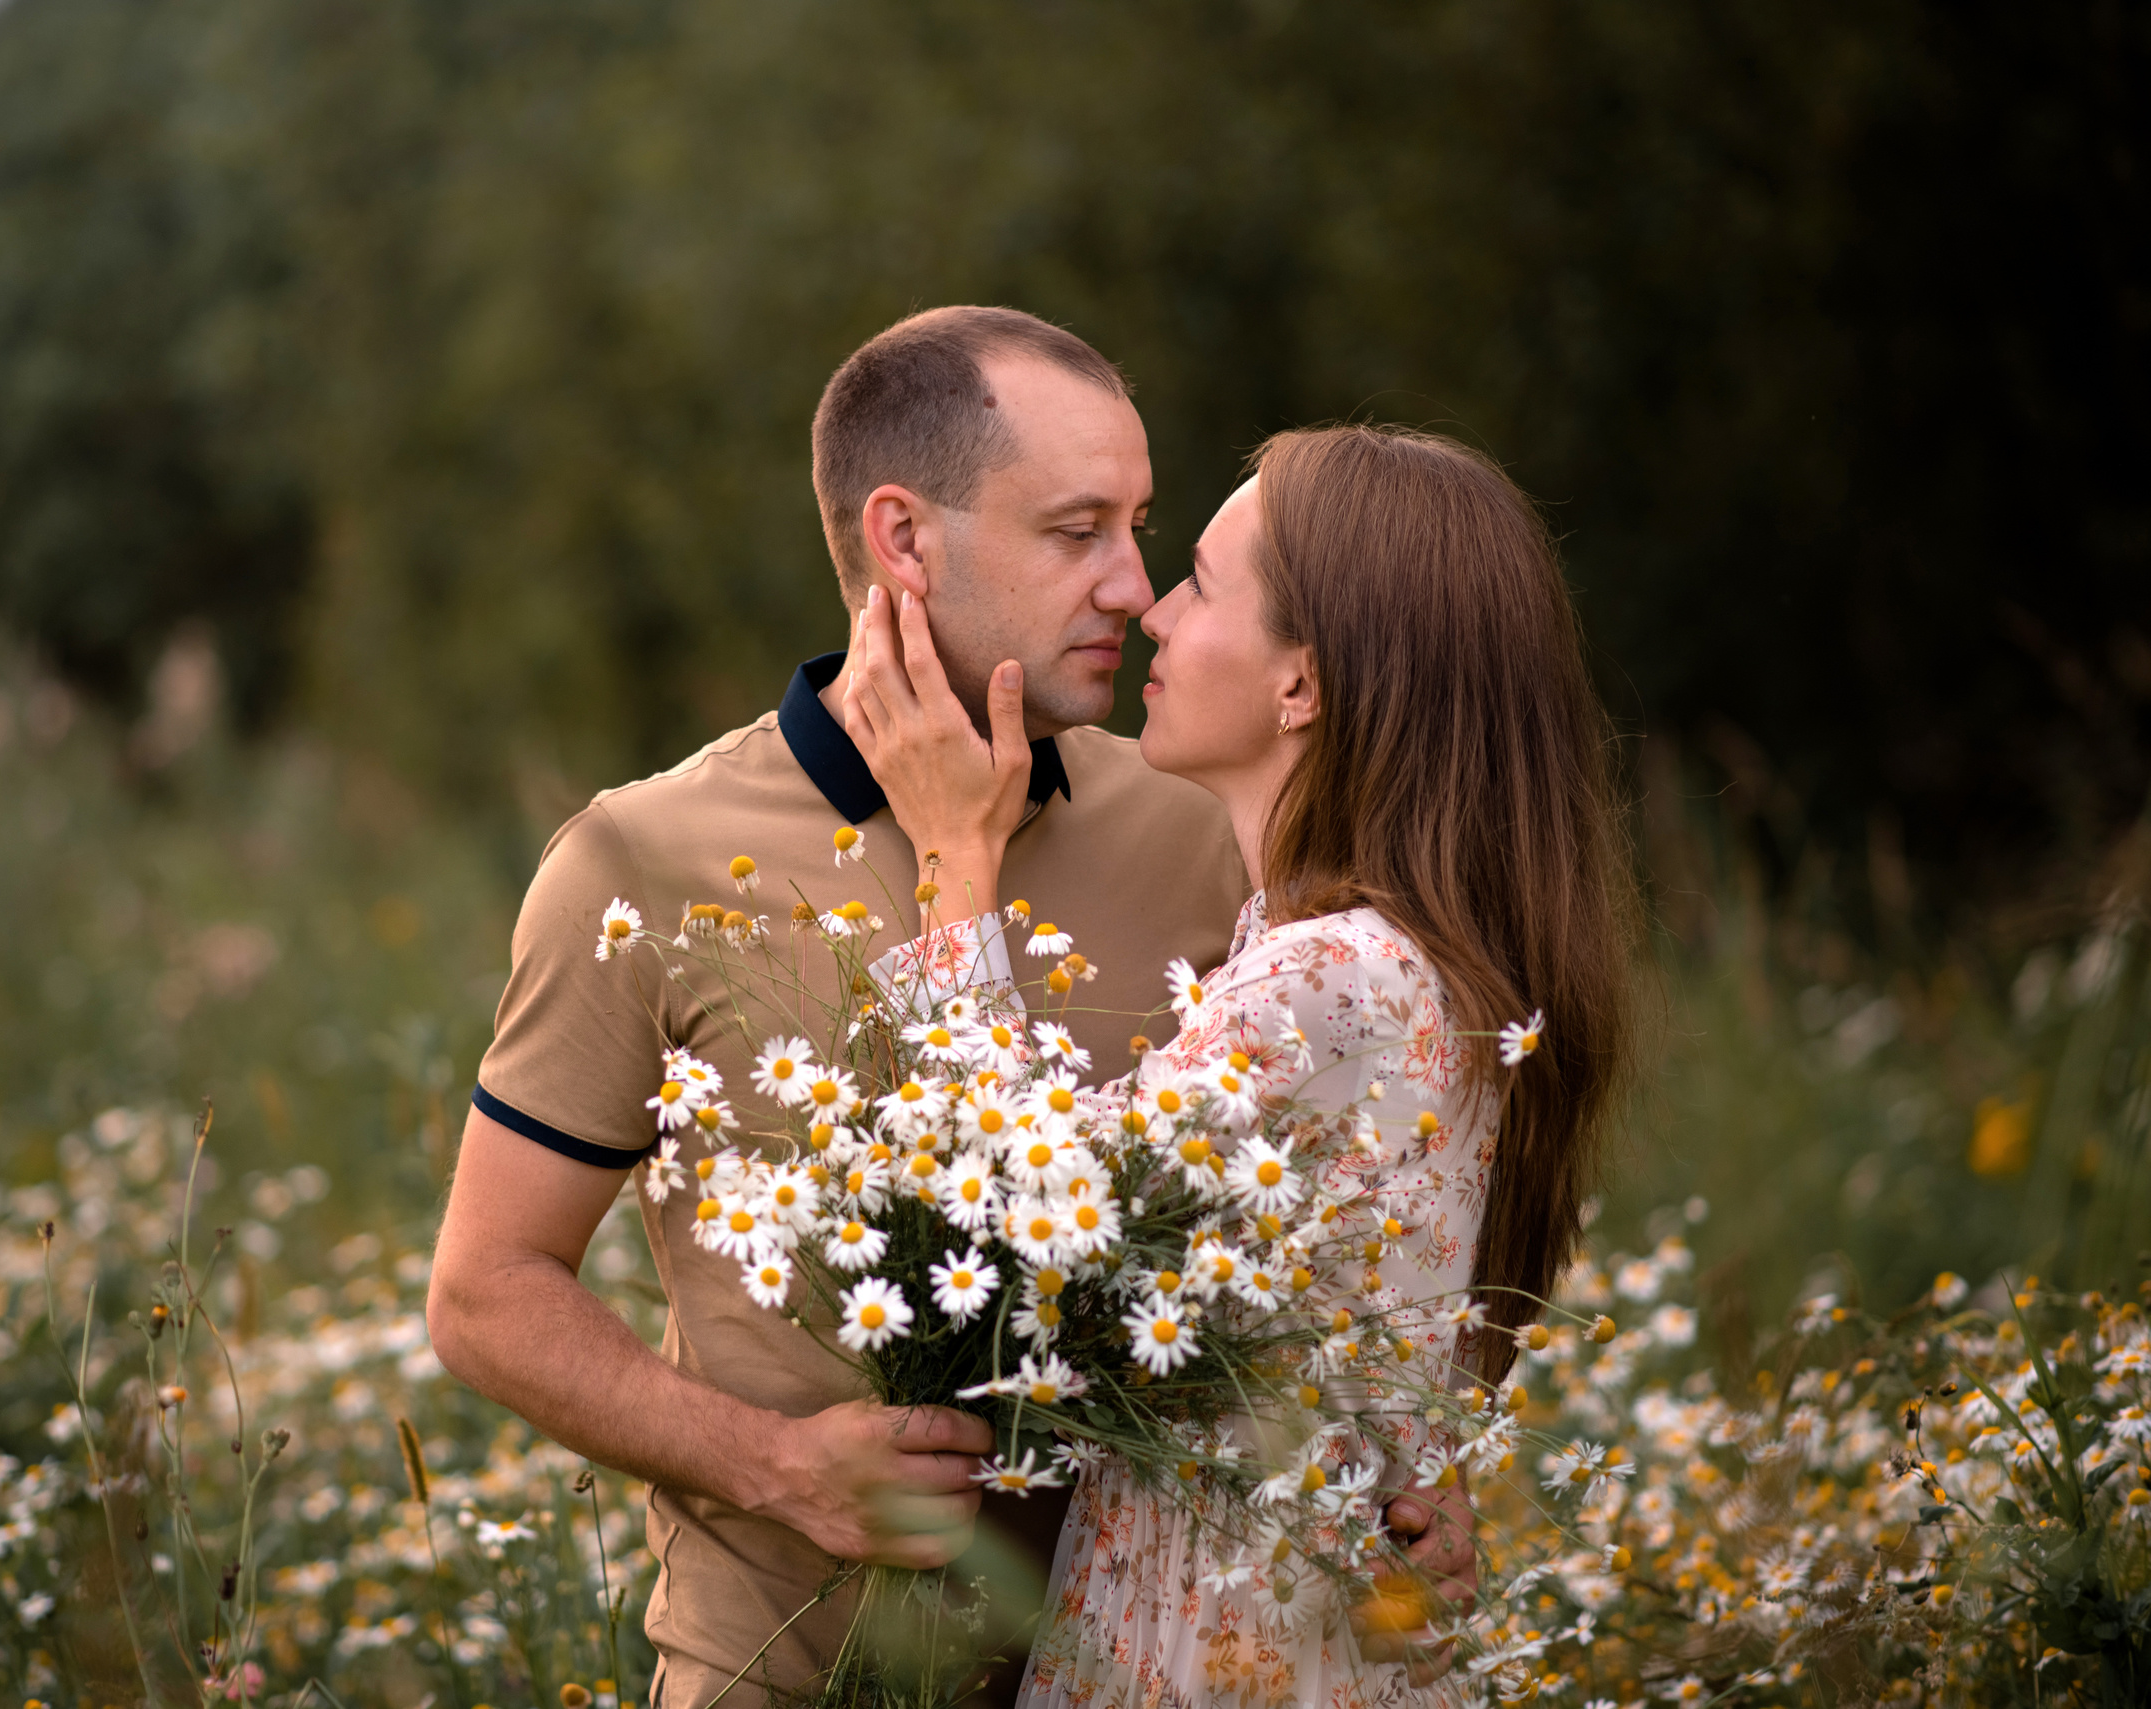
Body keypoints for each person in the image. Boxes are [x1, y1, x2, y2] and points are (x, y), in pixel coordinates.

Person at [426, 309, 1474, 1709]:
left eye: (1142, 528)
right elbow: (485, 1292)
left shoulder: (1200, 820)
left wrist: (1406, 1471)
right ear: (905, 541)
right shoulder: (642, 860)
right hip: (780, 1675)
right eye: (1077, 531)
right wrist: (777, 1466)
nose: (1133, 586)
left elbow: (1347, 1182)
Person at [839, 424, 1637, 1707]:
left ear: (1301, 686)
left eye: (1200, 581)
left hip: (1213, 1645)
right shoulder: (1380, 957)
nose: (1150, 608)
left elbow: (1019, 1220)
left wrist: (952, 854)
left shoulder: (1327, 975)